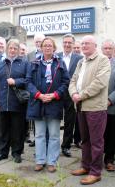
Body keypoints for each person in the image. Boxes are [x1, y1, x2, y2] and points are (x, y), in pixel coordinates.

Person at [69, 35, 111, 185]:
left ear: (95, 46)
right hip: (80, 106)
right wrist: (73, 93)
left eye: (88, 43)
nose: (84, 45)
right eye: (83, 43)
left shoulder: (103, 60)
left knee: (96, 141)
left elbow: (100, 83)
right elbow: (73, 80)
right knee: (85, 140)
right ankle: (85, 166)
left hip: (95, 108)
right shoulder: (81, 61)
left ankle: (95, 172)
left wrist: (80, 95)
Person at [26, 37, 69, 172]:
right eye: (45, 45)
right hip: (38, 103)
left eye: (50, 45)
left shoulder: (60, 63)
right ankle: (40, 160)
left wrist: (55, 95)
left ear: (54, 48)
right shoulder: (34, 63)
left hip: (54, 103)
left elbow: (66, 82)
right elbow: (28, 82)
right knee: (39, 134)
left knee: (54, 135)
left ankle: (51, 161)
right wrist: (39, 95)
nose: (47, 48)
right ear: (41, 48)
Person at [0, 39, 28, 163]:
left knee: (17, 130)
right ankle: (3, 152)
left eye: (15, 48)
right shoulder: (0, 64)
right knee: (3, 130)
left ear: (18, 50)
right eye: (10, 48)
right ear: (7, 50)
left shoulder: (24, 63)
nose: (12, 50)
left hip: (17, 103)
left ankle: (17, 153)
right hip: (2, 103)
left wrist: (16, 81)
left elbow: (28, 81)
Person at [57, 34, 82, 157]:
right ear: (62, 44)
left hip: (71, 94)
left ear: (73, 44)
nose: (67, 45)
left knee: (69, 121)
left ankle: (66, 146)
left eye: (69, 43)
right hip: (57, 93)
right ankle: (53, 145)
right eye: (65, 42)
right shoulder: (56, 57)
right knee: (54, 120)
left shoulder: (80, 58)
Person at [101, 40, 115, 171]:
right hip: (96, 105)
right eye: (105, 48)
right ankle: (96, 158)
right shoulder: (95, 62)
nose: (108, 50)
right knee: (97, 134)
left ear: (114, 49)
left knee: (111, 134)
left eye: (110, 48)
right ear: (101, 49)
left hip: (112, 106)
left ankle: (109, 160)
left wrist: (110, 99)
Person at [27, 33, 45, 147]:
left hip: (46, 90)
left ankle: (44, 139)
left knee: (45, 116)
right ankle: (35, 139)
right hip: (34, 91)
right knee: (35, 117)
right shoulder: (30, 55)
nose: (38, 43)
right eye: (37, 41)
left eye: (40, 41)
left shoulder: (49, 54)